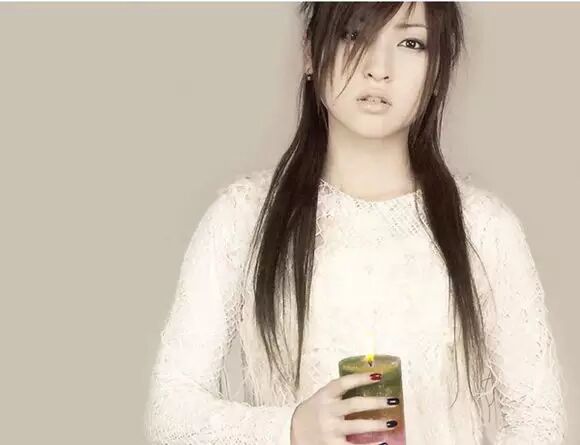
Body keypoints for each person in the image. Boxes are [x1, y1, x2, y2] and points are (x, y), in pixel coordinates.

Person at [144, 2, 567, 445]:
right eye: (352, 33)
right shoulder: (243, 218)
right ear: (310, 53)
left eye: (411, 43)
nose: (378, 69)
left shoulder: (483, 230)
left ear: (439, 69)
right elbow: (170, 412)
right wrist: (291, 428)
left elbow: (538, 424)